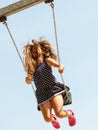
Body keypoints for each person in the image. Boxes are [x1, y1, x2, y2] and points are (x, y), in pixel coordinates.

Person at [23, 38, 76, 129]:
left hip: (53, 89)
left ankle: (70, 114)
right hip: (42, 93)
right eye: (32, 51)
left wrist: (61, 67)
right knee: (47, 119)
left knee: (59, 113)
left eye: (36, 49)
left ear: (42, 50)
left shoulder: (47, 61)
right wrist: (28, 79)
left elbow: (59, 65)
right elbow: (28, 81)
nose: (34, 51)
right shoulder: (32, 68)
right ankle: (53, 120)